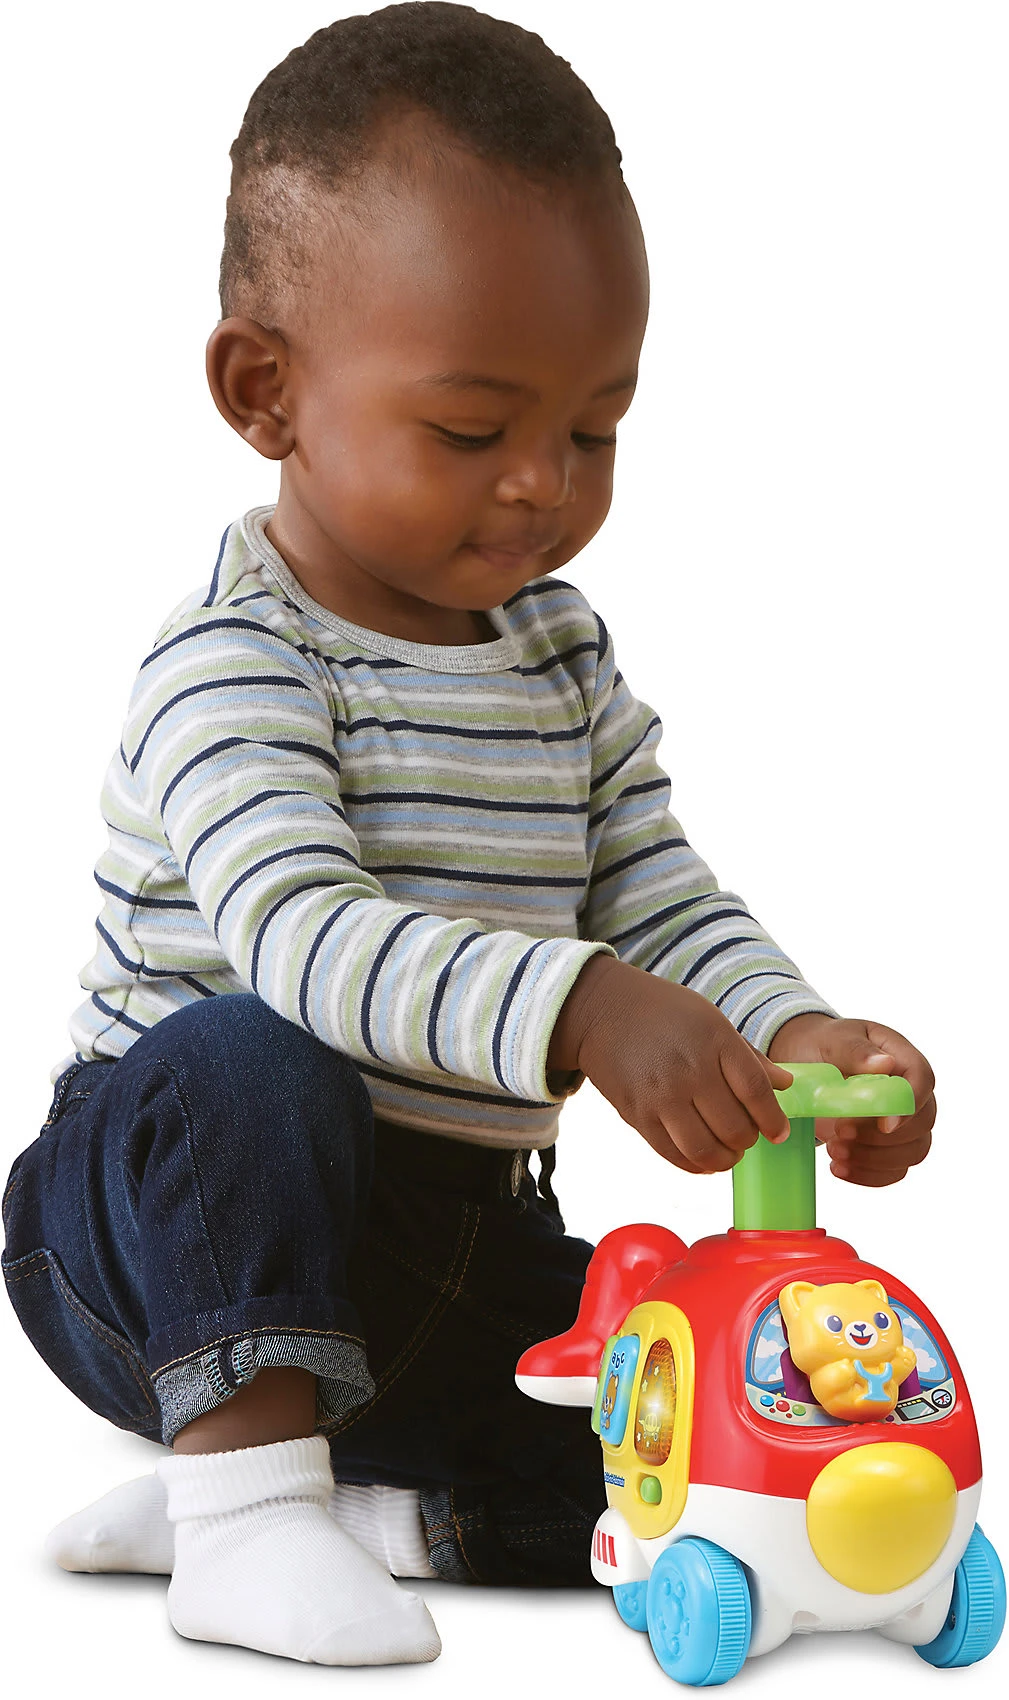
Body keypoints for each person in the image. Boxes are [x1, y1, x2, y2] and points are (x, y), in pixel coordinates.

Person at [1, 1, 936, 1671]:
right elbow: (307, 937)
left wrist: (789, 1033)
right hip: (165, 1230)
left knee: (660, 1446)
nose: (540, 486)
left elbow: (654, 891)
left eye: (593, 430)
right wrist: (582, 1009)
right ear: (266, 391)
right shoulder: (236, 660)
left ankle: (340, 1512)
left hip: (448, 1248)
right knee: (253, 1055)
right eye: (471, 430)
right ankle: (241, 1498)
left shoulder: (560, 659)